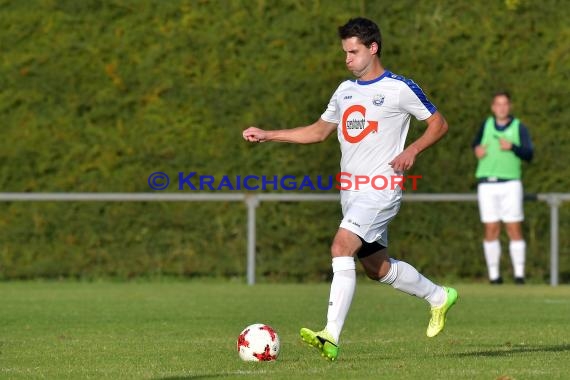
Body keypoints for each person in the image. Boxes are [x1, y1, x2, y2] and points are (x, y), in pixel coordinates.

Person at [242, 17, 458, 361]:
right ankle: (439, 297)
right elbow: (317, 131)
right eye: (345, 52)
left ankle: (330, 334)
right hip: (352, 194)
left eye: (354, 52)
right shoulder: (344, 91)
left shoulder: (400, 88)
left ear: (373, 48)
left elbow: (439, 123)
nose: (347, 59)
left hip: (382, 189)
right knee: (377, 268)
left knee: (341, 246)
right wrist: (269, 134)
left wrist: (412, 150)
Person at [472, 91, 534, 285]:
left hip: (511, 184)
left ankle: (519, 275)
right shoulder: (486, 125)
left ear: (510, 106)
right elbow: (475, 144)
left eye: (505, 104)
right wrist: (477, 149)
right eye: (498, 104)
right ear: (493, 107)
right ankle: (494, 276)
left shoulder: (519, 127)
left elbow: (529, 153)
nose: (501, 107)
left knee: (513, 227)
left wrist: (513, 147)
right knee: (491, 228)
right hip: (487, 184)